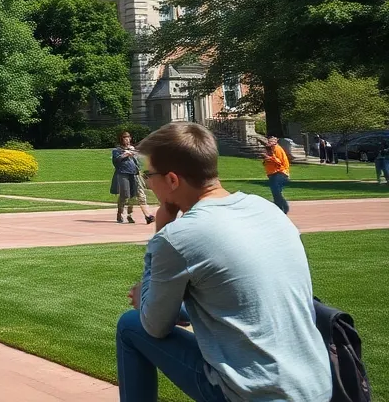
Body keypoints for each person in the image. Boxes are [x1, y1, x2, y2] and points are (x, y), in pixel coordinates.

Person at [116, 123, 331, 402]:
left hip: (255, 394)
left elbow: (154, 326)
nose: (147, 181)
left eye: (149, 174)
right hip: (318, 385)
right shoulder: (267, 209)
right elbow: (241, 297)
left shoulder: (177, 236)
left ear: (172, 180)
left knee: (131, 325)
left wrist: (163, 227)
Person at [112, 132, 155, 225]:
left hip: (135, 174)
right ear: (121, 139)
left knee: (138, 195)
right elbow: (116, 161)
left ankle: (134, 215)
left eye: (128, 138)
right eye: (125, 138)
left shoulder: (132, 149)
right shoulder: (117, 150)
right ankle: (120, 214)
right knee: (125, 195)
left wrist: (133, 153)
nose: (127, 140)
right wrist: (124, 155)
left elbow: (138, 162)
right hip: (123, 174)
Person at [263, 136, 291, 214]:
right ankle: (278, 208)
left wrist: (269, 158)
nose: (269, 143)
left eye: (271, 141)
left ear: (275, 142)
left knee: (276, 191)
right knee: (275, 192)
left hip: (280, 172)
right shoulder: (271, 149)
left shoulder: (277, 149)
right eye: (268, 141)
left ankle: (284, 207)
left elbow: (279, 162)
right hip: (273, 173)